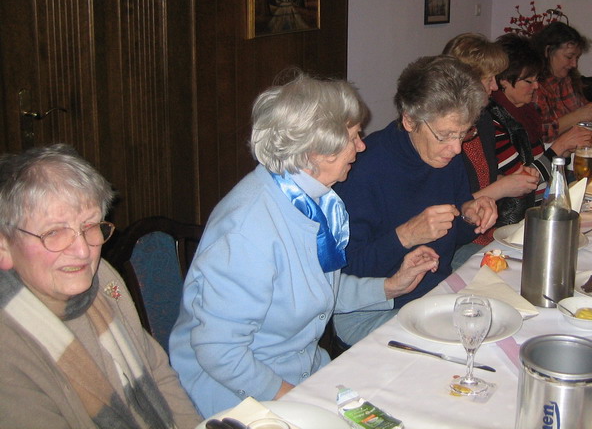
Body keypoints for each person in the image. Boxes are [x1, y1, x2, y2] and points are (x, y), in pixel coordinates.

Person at [169, 74, 439, 417]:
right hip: (240, 396)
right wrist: (292, 397)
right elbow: (218, 350)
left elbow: (318, 293)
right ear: (317, 149)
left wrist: (389, 286)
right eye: (354, 137)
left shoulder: (317, 203)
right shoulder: (248, 231)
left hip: (303, 373)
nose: (362, 147)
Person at [0, 144, 201, 429]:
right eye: (54, 233)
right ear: (4, 246)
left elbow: (156, 369)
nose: (83, 251)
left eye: (90, 226)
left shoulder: (102, 278)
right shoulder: (8, 350)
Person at [333, 56, 498, 346]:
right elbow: (344, 273)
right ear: (410, 120)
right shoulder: (363, 171)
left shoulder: (445, 156)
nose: (456, 149)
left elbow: (451, 237)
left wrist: (469, 215)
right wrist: (406, 236)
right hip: (374, 310)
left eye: (463, 134)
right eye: (445, 136)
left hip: (434, 295)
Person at [442, 34, 539, 251]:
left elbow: (483, 179)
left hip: (489, 231)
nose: (494, 87)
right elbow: (448, 207)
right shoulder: (444, 133)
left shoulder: (483, 119)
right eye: (489, 80)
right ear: (467, 83)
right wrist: (503, 187)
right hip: (459, 241)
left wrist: (513, 179)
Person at [491, 33, 592, 202]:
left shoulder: (525, 113)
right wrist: (559, 147)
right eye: (528, 81)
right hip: (519, 216)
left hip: (542, 203)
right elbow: (521, 183)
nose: (536, 86)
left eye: (537, 79)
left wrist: (564, 153)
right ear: (503, 81)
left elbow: (541, 167)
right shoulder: (494, 122)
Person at [531, 21, 592, 141]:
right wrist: (578, 116)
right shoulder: (534, 85)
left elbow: (584, 110)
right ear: (548, 51)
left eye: (577, 58)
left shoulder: (567, 79)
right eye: (569, 57)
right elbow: (537, 134)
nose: (574, 64)